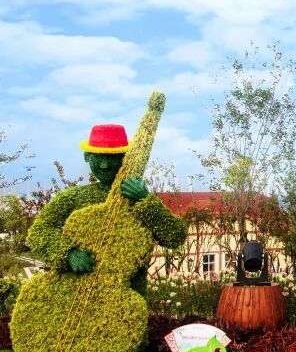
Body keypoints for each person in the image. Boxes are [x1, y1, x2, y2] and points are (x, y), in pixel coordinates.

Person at [27, 124, 187, 294]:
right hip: (75, 296)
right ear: (87, 157)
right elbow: (39, 231)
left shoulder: (137, 198)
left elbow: (175, 237)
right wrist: (68, 254)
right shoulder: (72, 197)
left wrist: (145, 200)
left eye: (112, 158)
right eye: (99, 157)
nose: (104, 165)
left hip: (126, 296)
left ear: (125, 158)